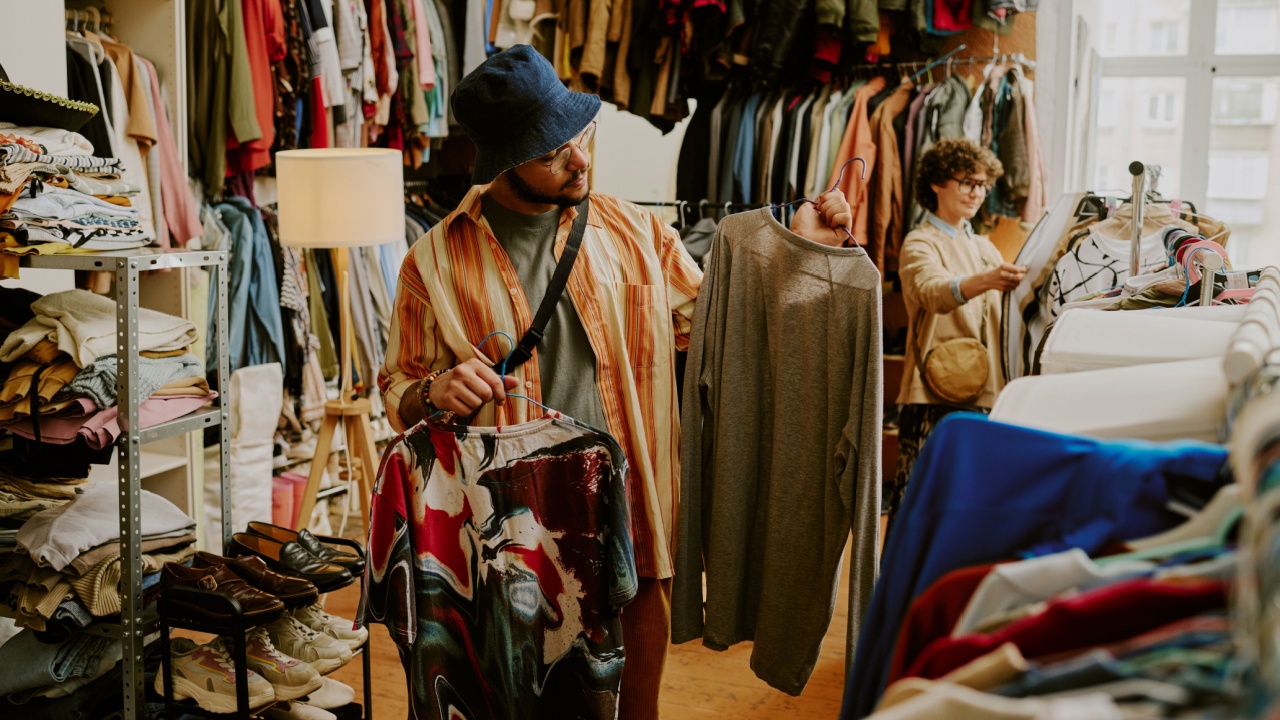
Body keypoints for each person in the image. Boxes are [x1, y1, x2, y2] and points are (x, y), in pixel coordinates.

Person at [378, 45, 854, 719]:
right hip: (517, 507)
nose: (580, 160)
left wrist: (804, 248)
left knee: (640, 629)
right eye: (553, 153)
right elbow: (398, 382)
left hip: (628, 478)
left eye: (581, 138)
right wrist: (433, 392)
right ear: (505, 163)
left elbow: (723, 322)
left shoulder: (635, 232)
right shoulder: (433, 262)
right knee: (525, 664)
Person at [888, 137, 1027, 532]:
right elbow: (932, 292)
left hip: (985, 390)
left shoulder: (984, 247)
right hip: (936, 391)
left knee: (965, 507)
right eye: (967, 181)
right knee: (918, 503)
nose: (976, 193)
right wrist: (986, 280)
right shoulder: (920, 241)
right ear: (936, 183)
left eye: (982, 185)